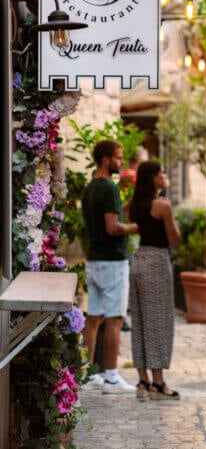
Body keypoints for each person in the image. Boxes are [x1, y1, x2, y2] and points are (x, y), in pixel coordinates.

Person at [82, 139, 139, 394]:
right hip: (113, 262)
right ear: (106, 159)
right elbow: (113, 227)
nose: (121, 162)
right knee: (115, 319)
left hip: (94, 260)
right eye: (118, 157)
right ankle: (112, 377)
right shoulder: (109, 189)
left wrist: (128, 205)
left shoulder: (90, 188)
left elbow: (112, 216)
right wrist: (137, 227)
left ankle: (88, 374)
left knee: (93, 318)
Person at [128, 161, 181, 400]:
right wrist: (170, 214)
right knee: (158, 321)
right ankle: (158, 382)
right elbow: (174, 239)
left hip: (139, 260)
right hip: (157, 261)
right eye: (162, 172)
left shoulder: (135, 204)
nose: (165, 175)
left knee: (140, 320)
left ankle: (143, 379)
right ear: (153, 177)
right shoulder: (162, 205)